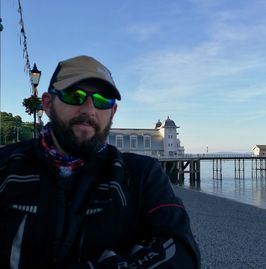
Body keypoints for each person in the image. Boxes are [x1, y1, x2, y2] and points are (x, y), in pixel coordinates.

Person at [0, 55, 200, 268]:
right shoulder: (6, 167)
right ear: (48, 104)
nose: (89, 108)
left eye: (103, 100)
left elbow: (181, 250)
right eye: (74, 95)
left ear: (112, 111)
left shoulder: (141, 175)